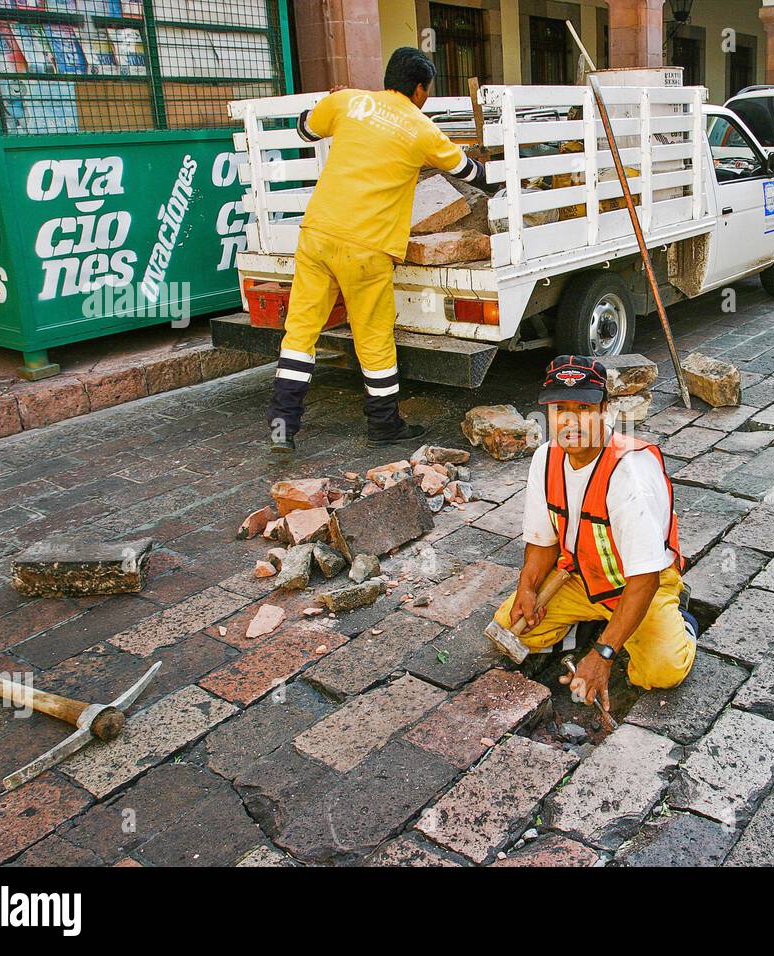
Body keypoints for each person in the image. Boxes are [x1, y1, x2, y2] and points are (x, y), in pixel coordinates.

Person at [268, 47, 492, 453]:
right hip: (367, 248)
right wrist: (510, 171)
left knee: (300, 331)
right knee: (373, 339)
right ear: (421, 89)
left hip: (318, 233)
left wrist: (331, 103)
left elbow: (304, 129)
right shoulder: (422, 128)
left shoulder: (348, 100)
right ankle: (383, 425)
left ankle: (283, 426)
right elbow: (469, 173)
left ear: (388, 78)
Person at [492, 355, 698, 713]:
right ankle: (593, 624)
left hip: (636, 587)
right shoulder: (546, 458)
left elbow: (645, 577)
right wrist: (527, 587)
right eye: (560, 408)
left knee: (661, 672)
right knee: (511, 626)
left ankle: (683, 623)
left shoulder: (629, 472)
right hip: (577, 578)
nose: (570, 420)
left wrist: (603, 655)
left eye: (583, 408)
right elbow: (542, 543)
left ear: (605, 410)